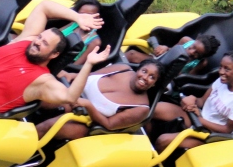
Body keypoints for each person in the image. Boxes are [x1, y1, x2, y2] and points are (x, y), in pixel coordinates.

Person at [0, 31, 113, 129]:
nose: (37, 42)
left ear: (55, 54)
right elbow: (43, 7)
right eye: (40, 37)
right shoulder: (26, 41)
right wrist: (77, 17)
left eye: (44, 44)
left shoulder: (42, 80)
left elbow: (70, 97)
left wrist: (89, 63)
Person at [35, 59, 165, 140]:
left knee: (48, 126)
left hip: (86, 123)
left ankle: (19, 147)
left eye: (152, 77)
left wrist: (88, 105)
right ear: (138, 70)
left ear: (154, 84)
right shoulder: (122, 69)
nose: (145, 77)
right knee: (37, 96)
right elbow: (89, 75)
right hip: (71, 96)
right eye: (144, 71)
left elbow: (109, 125)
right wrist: (70, 75)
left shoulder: (141, 108)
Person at [154, 51, 233, 151]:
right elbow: (201, 102)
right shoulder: (221, 80)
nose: (221, 72)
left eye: (227, 69)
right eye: (221, 67)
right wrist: (192, 99)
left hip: (208, 135)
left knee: (163, 140)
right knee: (154, 109)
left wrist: (201, 120)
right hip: (197, 117)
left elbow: (227, 130)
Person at [13, 0, 104, 64]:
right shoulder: (74, 24)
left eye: (90, 15)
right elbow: (54, 34)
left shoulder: (95, 41)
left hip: (57, 63)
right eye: (82, 14)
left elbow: (77, 65)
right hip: (44, 52)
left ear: (97, 16)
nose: (86, 18)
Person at [127, 33, 221, 76]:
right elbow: (172, 49)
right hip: (160, 60)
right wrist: (165, 48)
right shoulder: (185, 40)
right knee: (132, 54)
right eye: (193, 47)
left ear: (202, 56)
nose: (192, 52)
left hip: (169, 75)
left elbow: (188, 77)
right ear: (194, 41)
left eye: (197, 53)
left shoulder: (201, 63)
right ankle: (113, 62)